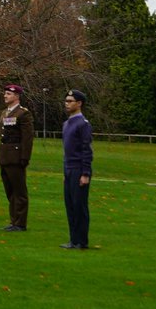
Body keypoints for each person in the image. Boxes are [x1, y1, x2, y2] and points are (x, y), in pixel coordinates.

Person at [0, 84, 34, 231]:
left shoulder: (23, 113)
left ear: (17, 96)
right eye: (5, 93)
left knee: (19, 191)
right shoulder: (4, 113)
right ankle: (14, 220)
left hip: (16, 156)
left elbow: (27, 138)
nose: (5, 96)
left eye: (8, 94)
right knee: (10, 190)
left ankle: (20, 223)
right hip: (4, 156)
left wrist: (24, 157)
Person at [61, 89, 94, 250]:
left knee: (79, 206)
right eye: (66, 101)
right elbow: (66, 151)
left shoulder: (83, 124)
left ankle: (81, 241)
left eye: (70, 101)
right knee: (70, 206)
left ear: (79, 103)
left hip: (79, 170)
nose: (67, 104)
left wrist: (85, 173)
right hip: (69, 170)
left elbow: (86, 150)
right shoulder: (66, 124)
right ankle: (73, 239)